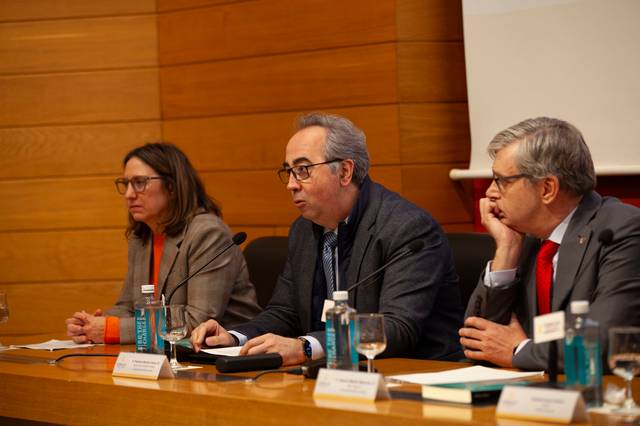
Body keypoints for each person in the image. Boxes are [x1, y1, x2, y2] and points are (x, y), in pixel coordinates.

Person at [191, 112, 463, 365]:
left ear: (344, 172)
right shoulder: (304, 230)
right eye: (289, 171)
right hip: (335, 373)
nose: (291, 184)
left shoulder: (406, 228)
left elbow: (397, 328)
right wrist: (235, 338)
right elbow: (285, 312)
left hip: (415, 376)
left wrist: (306, 347)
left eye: (303, 170)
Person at [460, 117, 640, 370]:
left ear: (547, 188)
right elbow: (477, 342)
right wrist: (507, 251)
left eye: (502, 181)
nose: (490, 192)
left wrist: (518, 351)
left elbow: (604, 341)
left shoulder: (621, 230)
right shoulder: (525, 237)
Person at [65, 143, 261, 344]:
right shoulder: (142, 237)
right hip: (166, 352)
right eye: (126, 184)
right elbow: (129, 307)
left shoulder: (207, 233)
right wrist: (91, 324)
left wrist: (111, 329)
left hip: (225, 355)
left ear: (172, 186)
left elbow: (198, 320)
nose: (129, 194)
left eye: (140, 182)